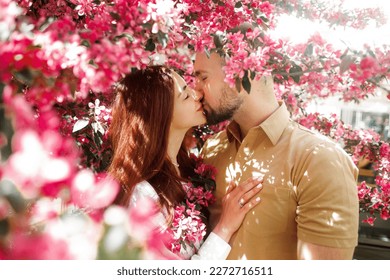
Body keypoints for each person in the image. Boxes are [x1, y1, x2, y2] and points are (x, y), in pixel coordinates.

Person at [193, 52, 359, 260]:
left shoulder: (320, 159)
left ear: (241, 70)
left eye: (203, 77)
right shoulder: (213, 148)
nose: (196, 90)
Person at [107, 66, 263, 260]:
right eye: (185, 96)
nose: (197, 94)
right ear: (161, 114)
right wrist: (225, 227)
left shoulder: (192, 171)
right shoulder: (142, 195)